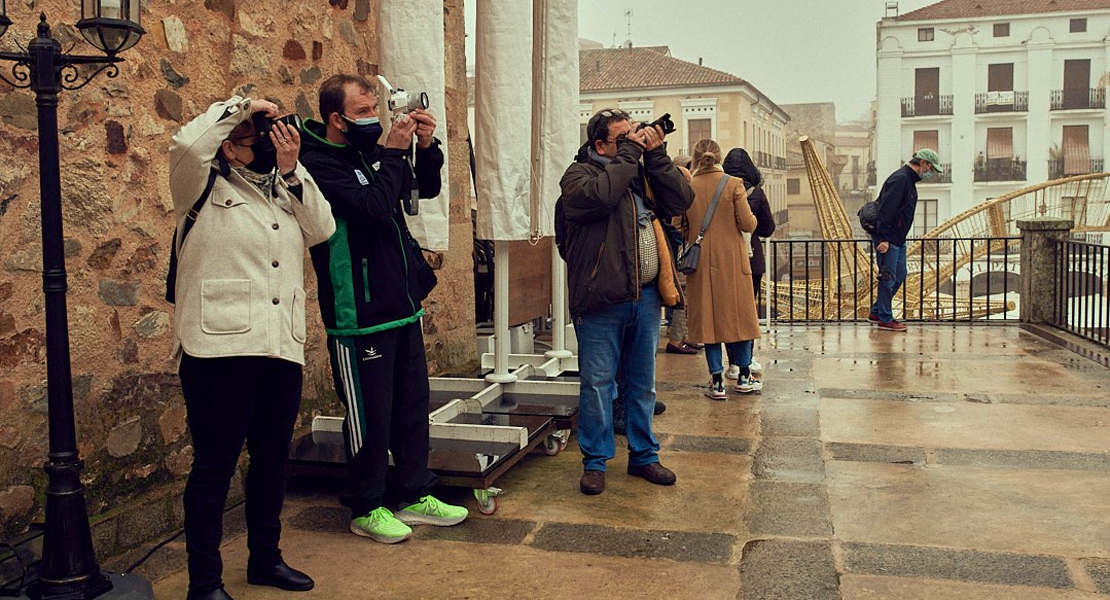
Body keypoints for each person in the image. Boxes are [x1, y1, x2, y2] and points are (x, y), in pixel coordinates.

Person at [169, 96, 335, 600]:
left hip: (278, 345)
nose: (266, 146)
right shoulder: (198, 185)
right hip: (218, 349)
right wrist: (239, 105)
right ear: (229, 148)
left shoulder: (284, 191)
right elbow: (186, 143)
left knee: (270, 461)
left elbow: (323, 228)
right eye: (254, 140)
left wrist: (292, 168)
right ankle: (205, 581)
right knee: (215, 465)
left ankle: (265, 558)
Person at [299, 74, 468, 544]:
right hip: (358, 313)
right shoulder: (316, 164)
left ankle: (416, 493)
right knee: (369, 416)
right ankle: (366, 505)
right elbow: (373, 207)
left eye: (376, 107)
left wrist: (426, 147)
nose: (374, 117)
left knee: (412, 408)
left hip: (401, 305)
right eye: (362, 111)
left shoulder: (369, 152)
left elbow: (422, 190)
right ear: (336, 118)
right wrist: (392, 151)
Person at [556, 108, 693, 495]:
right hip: (600, 301)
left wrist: (658, 155)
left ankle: (644, 456)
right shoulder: (578, 176)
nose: (632, 144)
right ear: (600, 145)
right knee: (598, 385)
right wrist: (632, 154)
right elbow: (602, 197)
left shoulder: (640, 171)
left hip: (646, 297)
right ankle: (595, 462)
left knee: (642, 384)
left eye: (634, 135)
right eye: (622, 139)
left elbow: (682, 199)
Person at [683, 139, 762, 399]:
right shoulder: (733, 184)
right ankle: (743, 376)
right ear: (719, 157)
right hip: (733, 261)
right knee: (739, 320)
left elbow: (679, 223)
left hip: (702, 263)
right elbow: (749, 224)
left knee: (709, 321)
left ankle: (716, 382)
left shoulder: (689, 187)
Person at [870, 148, 943, 332]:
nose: (930, 172)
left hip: (898, 238)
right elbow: (886, 210)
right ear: (923, 163)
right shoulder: (901, 179)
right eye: (931, 168)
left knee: (900, 274)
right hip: (890, 238)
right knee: (887, 277)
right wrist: (884, 238)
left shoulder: (907, 180)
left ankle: (878, 310)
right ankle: (885, 318)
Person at [721, 148, 775, 379]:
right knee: (747, 312)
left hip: (724, 259)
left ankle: (732, 363)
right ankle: (747, 359)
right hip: (751, 260)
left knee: (726, 312)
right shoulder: (756, 193)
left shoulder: (720, 188)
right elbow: (767, 228)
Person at [664, 155, 699, 355]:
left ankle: (684, 337)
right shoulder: (678, 201)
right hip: (680, 256)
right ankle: (678, 339)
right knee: (682, 299)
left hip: (676, 255)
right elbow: (677, 227)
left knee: (683, 299)